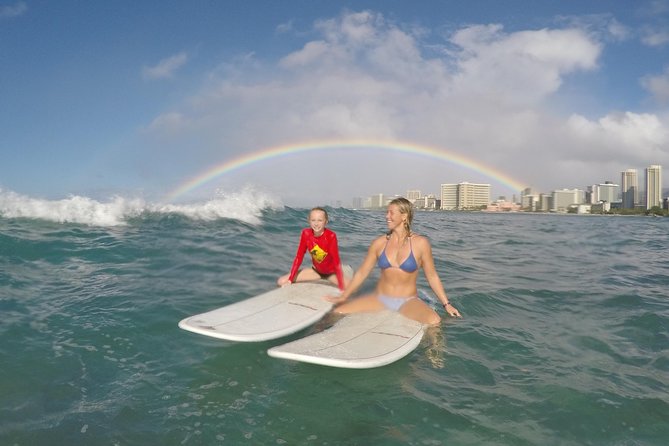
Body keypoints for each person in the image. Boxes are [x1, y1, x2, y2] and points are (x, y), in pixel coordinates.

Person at [326, 197, 461, 325]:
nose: (387, 216)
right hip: (380, 299)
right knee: (338, 311)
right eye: (387, 212)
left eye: (391, 213)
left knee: (434, 321)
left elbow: (432, 276)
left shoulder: (420, 243)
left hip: (407, 301)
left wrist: (446, 304)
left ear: (404, 216)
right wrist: (344, 296)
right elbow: (362, 273)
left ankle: (433, 350)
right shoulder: (379, 243)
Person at [277, 207, 348, 290]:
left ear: (326, 222)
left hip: (331, 273)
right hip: (316, 272)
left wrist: (341, 287)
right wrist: (290, 279)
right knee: (281, 281)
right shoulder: (306, 234)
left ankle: (345, 271)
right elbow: (299, 257)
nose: (316, 223)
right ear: (309, 221)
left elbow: (336, 261)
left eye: (320, 220)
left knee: (351, 288)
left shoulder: (331, 236)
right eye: (313, 220)